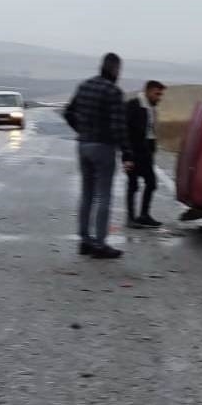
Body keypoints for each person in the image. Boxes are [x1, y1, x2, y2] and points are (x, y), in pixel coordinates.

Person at [64, 53, 133, 259]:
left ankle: (84, 240)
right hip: (103, 148)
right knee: (104, 195)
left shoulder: (84, 86)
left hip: (83, 145)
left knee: (87, 194)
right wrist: (127, 154)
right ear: (116, 70)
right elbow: (119, 127)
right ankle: (100, 243)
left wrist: (81, 131)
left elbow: (68, 112)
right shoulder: (113, 92)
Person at [125, 80, 166, 228]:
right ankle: (130, 218)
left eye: (160, 94)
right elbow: (124, 131)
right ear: (148, 91)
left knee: (151, 183)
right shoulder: (134, 105)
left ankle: (144, 215)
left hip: (146, 151)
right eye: (157, 94)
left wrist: (152, 149)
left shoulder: (152, 108)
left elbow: (150, 131)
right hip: (133, 151)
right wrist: (127, 156)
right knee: (133, 184)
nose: (159, 97)